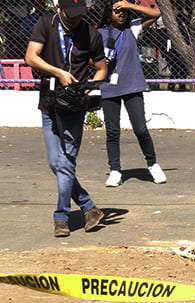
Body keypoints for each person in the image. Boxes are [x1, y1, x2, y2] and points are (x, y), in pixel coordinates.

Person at [25, 0, 107, 238]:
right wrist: (58, 72)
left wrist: (92, 86)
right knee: (56, 163)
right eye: (70, 15)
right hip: (49, 103)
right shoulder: (45, 24)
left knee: (67, 162)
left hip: (74, 107)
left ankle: (61, 217)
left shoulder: (90, 34)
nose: (75, 19)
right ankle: (89, 206)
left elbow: (102, 69)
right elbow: (31, 57)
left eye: (79, 15)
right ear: (59, 8)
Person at [98, 0, 166, 187]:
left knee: (140, 129)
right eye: (117, 11)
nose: (121, 14)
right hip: (109, 87)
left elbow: (156, 14)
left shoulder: (132, 28)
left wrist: (129, 5)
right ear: (109, 13)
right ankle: (115, 170)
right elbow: (88, 57)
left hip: (132, 86)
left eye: (124, 11)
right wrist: (100, 62)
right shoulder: (99, 33)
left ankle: (152, 164)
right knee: (112, 131)